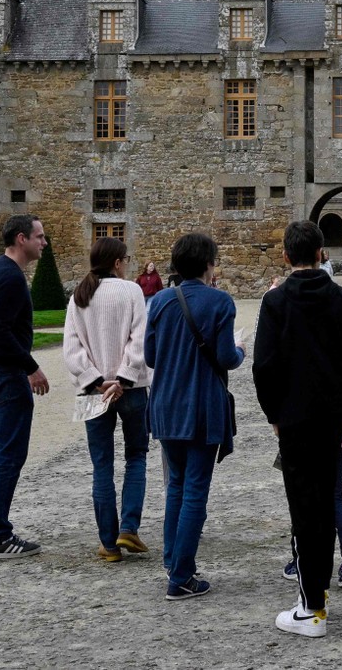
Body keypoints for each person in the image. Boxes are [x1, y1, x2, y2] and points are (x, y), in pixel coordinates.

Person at [254, 220, 342, 639]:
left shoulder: (276, 302)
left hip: (295, 419)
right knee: (325, 501)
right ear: (321, 254)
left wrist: (274, 416)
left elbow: (264, 366)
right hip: (332, 419)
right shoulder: (340, 299)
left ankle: (311, 606)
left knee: (305, 508)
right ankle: (316, 597)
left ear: (285, 255)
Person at [145, 232, 246, 601]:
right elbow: (225, 359)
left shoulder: (159, 301)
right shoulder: (220, 302)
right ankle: (181, 576)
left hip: (165, 404)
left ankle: (173, 560)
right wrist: (240, 350)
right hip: (202, 405)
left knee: (175, 484)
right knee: (195, 491)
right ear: (208, 264)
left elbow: (151, 357)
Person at [63, 237, 151, 563]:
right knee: (136, 456)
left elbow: (72, 352)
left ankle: (108, 544)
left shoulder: (79, 297)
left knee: (102, 465)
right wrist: (123, 378)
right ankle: (128, 526)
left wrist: (98, 381)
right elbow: (139, 340)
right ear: (117, 263)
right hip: (132, 388)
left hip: (92, 392)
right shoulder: (131, 291)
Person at [0, 214, 51, 559]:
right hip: (4, 374)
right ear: (21, 239)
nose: (44, 243)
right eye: (40, 237)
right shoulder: (11, 279)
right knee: (8, 453)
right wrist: (31, 367)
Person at [284, 385, 342, 591]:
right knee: (335, 496)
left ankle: (302, 560)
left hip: (307, 432)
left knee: (303, 494)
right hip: (341, 433)